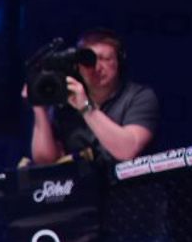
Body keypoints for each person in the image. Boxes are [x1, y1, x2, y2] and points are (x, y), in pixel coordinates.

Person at [27, 27, 157, 166]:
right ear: (78, 67)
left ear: (119, 62)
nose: (97, 67)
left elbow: (127, 150)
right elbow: (45, 160)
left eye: (105, 59)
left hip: (131, 179)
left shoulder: (140, 97)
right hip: (80, 179)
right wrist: (39, 105)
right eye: (88, 60)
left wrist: (86, 108)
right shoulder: (67, 100)